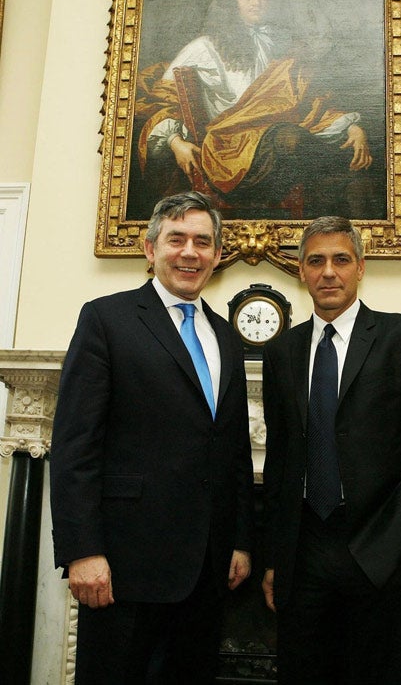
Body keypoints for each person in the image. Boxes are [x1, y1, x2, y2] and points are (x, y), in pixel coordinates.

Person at [50, 191, 255, 684]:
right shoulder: (106, 319)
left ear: (217, 254)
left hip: (207, 571)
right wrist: (82, 551)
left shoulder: (226, 335)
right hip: (124, 566)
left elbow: (233, 450)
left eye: (203, 242)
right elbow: (75, 445)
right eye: (176, 239)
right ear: (150, 249)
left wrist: (242, 541)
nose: (190, 252)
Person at [260, 216, 401, 684]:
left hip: (381, 548)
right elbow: (280, 458)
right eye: (316, 261)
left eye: (340, 260)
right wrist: (274, 555)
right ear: (301, 272)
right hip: (303, 552)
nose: (329, 272)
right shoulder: (281, 352)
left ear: (361, 267)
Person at [135, 0, 373, 215]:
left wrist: (351, 127)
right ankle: (340, 176)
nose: (256, 3)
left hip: (273, 142)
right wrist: (175, 142)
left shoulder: (277, 44)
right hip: (230, 151)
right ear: (232, 3)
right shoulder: (204, 47)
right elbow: (161, 98)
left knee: (303, 145)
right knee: (292, 140)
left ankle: (343, 185)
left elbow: (303, 100)